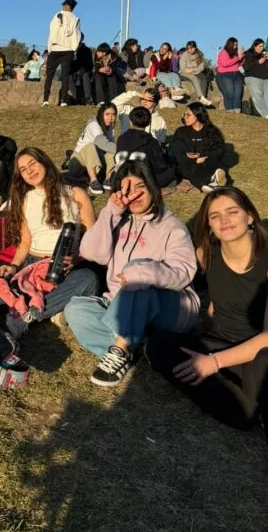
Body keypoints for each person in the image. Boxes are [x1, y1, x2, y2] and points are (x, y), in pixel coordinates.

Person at [145, 187, 268, 532]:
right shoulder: (208, 253)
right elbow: (217, 307)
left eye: (232, 212)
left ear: (250, 216)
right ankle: (251, 408)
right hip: (225, 343)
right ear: (208, 224)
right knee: (160, 345)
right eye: (215, 216)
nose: (224, 221)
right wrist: (200, 334)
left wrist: (213, 363)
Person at [64, 159, 200, 386]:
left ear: (153, 188)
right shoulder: (119, 221)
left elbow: (183, 271)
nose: (133, 194)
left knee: (138, 273)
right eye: (126, 189)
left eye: (140, 187)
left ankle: (120, 348)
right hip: (121, 303)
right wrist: (110, 212)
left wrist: (143, 273)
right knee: (75, 310)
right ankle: (138, 348)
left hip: (169, 307)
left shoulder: (172, 226)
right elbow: (90, 252)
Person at [0, 147, 99, 321]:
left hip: (64, 267)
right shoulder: (25, 199)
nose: (29, 171)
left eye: (32, 164)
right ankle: (42, 311)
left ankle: (22, 314)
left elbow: (93, 238)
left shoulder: (76, 194)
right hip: (33, 265)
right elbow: (26, 241)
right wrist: (14, 266)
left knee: (89, 280)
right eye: (23, 169)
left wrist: (76, 258)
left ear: (44, 162)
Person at [170, 102, 228, 193]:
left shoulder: (212, 131)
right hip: (188, 164)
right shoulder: (181, 132)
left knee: (214, 165)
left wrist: (203, 157)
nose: (184, 117)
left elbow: (219, 150)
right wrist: (195, 160)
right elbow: (178, 151)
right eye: (184, 115)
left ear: (198, 115)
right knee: (190, 170)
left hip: (207, 162)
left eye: (188, 115)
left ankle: (213, 181)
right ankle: (210, 184)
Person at [115, 107, 176, 190]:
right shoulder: (151, 141)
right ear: (148, 123)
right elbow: (159, 165)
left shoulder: (121, 138)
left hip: (121, 177)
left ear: (130, 121)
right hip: (142, 179)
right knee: (171, 172)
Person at [65, 103, 117, 194]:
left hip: (94, 163)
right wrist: (123, 148)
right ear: (101, 114)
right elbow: (103, 143)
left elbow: (110, 147)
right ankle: (93, 181)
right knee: (90, 146)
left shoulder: (109, 127)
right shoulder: (94, 125)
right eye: (107, 114)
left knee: (111, 150)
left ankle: (108, 179)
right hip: (77, 164)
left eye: (113, 114)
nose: (110, 118)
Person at [43, 0, 81, 107]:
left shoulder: (57, 15)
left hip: (56, 48)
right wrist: (74, 49)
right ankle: (63, 100)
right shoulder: (75, 19)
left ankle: (46, 100)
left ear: (66, 5)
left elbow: (51, 31)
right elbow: (77, 36)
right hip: (67, 50)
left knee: (50, 75)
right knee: (65, 76)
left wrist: (50, 48)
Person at [242, 38, 268, 119]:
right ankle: (265, 114)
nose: (262, 48)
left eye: (263, 46)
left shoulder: (264, 53)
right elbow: (246, 67)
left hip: (266, 78)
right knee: (258, 97)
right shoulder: (248, 54)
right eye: (260, 46)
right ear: (255, 46)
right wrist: (258, 62)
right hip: (253, 78)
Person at [216, 38, 244, 113]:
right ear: (229, 44)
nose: (235, 46)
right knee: (229, 93)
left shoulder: (235, 53)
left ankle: (237, 111)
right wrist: (238, 58)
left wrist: (242, 57)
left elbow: (239, 64)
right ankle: (230, 111)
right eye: (234, 45)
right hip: (225, 75)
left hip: (236, 74)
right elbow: (225, 63)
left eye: (236, 45)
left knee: (237, 94)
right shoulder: (223, 53)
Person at [70, 35, 95, 104]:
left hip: (85, 70)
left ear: (82, 39)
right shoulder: (71, 49)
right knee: (68, 76)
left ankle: (88, 98)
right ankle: (76, 98)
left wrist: (82, 70)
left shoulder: (87, 50)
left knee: (85, 76)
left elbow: (89, 64)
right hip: (74, 70)